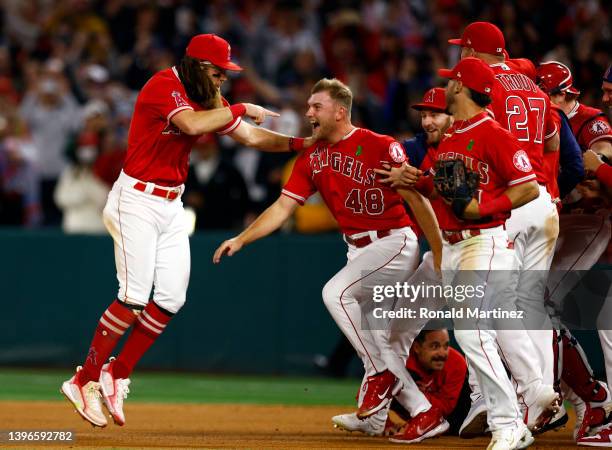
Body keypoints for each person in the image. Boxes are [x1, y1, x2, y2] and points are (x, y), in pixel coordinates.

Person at [60, 33, 314, 428]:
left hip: (171, 203)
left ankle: (117, 373)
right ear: (196, 65)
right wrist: (243, 107)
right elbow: (192, 123)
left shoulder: (207, 96)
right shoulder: (164, 85)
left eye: (225, 74)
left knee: (171, 299)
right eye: (218, 71)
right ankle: (83, 379)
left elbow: (249, 135)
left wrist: (303, 143)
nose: (221, 80)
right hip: (136, 200)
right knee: (132, 298)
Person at [214, 78, 448, 444]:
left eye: (316, 107)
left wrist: (437, 251)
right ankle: (418, 412)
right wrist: (243, 238)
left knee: (336, 293)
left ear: (340, 111)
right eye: (308, 106)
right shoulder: (311, 156)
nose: (308, 113)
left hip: (393, 242)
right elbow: (282, 207)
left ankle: (380, 375)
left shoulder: (379, 145)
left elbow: (416, 200)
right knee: (379, 339)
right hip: (358, 249)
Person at [448, 22, 560, 435]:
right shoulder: (532, 85)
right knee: (531, 303)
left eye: (464, 50)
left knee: (495, 308)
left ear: (474, 52)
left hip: (507, 201)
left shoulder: (483, 83)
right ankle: (542, 392)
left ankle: (507, 397)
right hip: (543, 201)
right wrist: (546, 185)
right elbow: (551, 144)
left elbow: (482, 132)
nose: (460, 57)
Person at [422, 57, 540, 449]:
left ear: (461, 88)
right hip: (456, 246)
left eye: (451, 81)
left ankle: (509, 423)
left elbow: (528, 187)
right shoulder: (453, 135)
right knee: (475, 337)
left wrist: (484, 207)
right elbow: (449, 191)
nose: (447, 86)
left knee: (472, 333)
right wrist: (422, 182)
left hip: (483, 242)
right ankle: (507, 416)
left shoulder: (494, 133)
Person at [537, 61, 612, 445]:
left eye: (549, 93)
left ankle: (581, 401)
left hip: (588, 222)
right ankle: (589, 400)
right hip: (563, 220)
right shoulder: (536, 118)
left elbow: (599, 159)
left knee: (542, 304)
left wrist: (593, 170)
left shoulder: (590, 120)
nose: (542, 100)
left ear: (567, 94)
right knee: (533, 305)